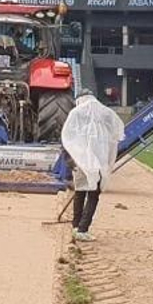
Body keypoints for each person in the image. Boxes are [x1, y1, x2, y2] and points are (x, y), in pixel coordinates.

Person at [61, 88, 126, 241]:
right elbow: (117, 133)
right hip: (98, 163)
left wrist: (70, 161)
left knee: (80, 192)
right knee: (93, 195)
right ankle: (83, 229)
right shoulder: (105, 113)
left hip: (80, 161)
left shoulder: (76, 114)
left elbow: (66, 139)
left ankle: (76, 226)